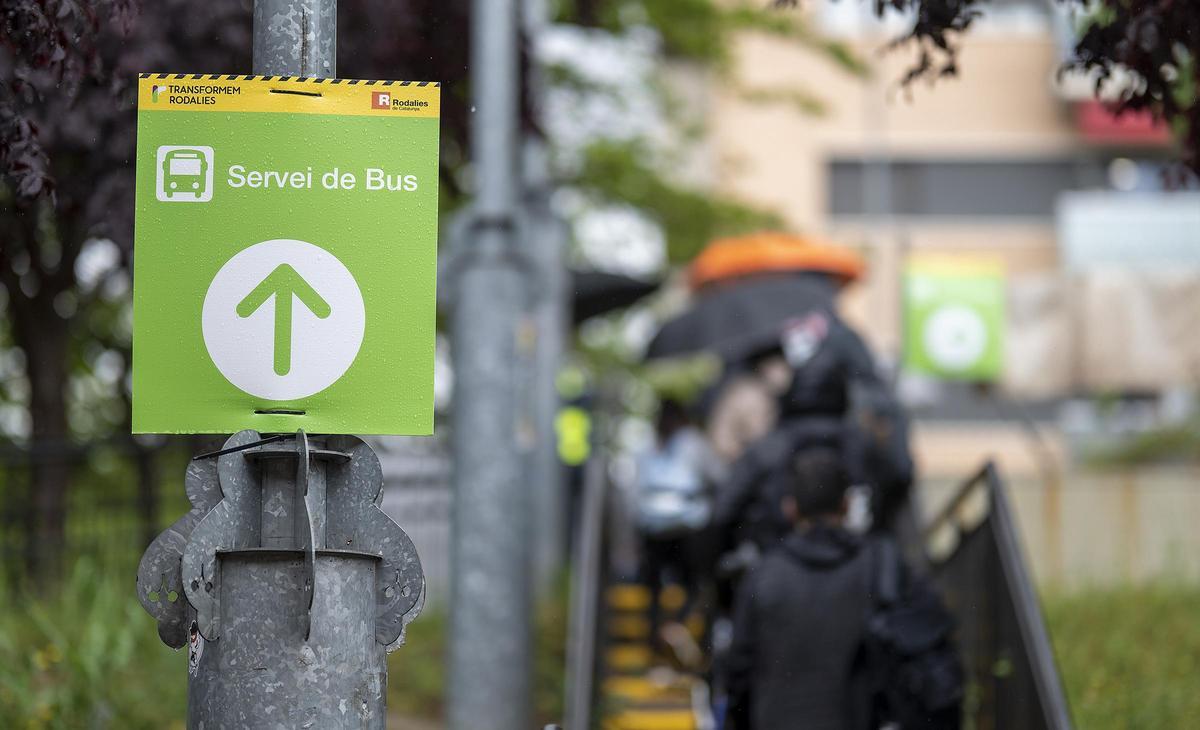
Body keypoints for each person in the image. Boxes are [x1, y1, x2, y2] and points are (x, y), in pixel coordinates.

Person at [724, 447, 958, 730]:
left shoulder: (762, 574)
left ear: (790, 508)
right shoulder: (882, 564)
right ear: (847, 505)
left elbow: (738, 669)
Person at [634, 399, 720, 653]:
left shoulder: (648, 444)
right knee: (694, 583)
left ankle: (655, 634)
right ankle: (681, 627)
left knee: (654, 586)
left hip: (652, 524)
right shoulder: (694, 442)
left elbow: (635, 488)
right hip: (690, 523)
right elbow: (716, 474)